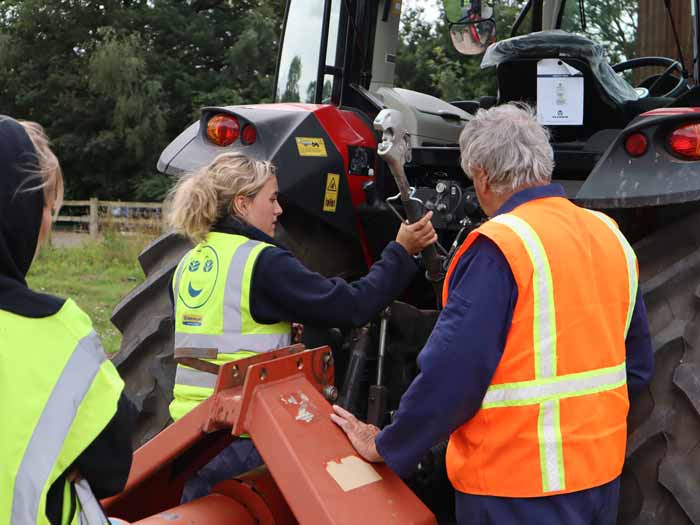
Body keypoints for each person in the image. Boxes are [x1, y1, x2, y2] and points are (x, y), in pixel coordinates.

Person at [332, 104, 654, 524]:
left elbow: (453, 374)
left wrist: (388, 444)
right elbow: (637, 368)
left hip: (515, 490)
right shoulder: (608, 234)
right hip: (598, 483)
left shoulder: (501, 245)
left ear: (482, 177)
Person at [166, 151, 436, 500]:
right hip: (245, 438)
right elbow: (351, 307)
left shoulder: (188, 262)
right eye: (272, 199)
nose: (279, 210)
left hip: (190, 438)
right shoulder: (263, 262)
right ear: (243, 204)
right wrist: (401, 250)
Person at [0, 117, 135, 525]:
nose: (48, 221)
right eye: (45, 204)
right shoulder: (59, 335)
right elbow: (112, 469)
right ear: (17, 212)